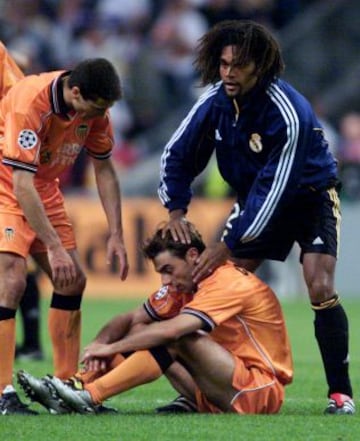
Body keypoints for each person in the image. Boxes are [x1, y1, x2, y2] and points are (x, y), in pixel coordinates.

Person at [157, 20, 355, 415]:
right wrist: (176, 210)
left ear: (260, 67)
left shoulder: (289, 112)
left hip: (309, 197)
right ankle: (200, 388)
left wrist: (228, 244)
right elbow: (176, 154)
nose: (228, 73)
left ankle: (340, 394)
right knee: (210, 282)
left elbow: (277, 188)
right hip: (256, 198)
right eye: (224, 63)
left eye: (238, 65)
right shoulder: (213, 101)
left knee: (319, 284)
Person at [17, 224, 293, 415]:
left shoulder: (227, 282)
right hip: (217, 390)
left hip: (259, 392)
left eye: (169, 270)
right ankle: (76, 384)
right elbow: (128, 318)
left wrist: (112, 349)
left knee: (177, 336)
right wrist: (100, 344)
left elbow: (173, 330)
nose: (166, 280)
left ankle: (90, 396)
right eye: (161, 272)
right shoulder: (182, 284)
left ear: (193, 256)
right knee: (143, 326)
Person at [0, 57, 129, 415]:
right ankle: (2, 392)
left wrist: (116, 233)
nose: (97, 117)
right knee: (11, 279)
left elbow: (104, 169)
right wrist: (54, 247)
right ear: (74, 92)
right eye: (94, 108)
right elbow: (21, 184)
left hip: (44, 187)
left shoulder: (96, 111)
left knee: (71, 282)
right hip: (7, 185)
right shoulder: (31, 103)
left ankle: (65, 385)